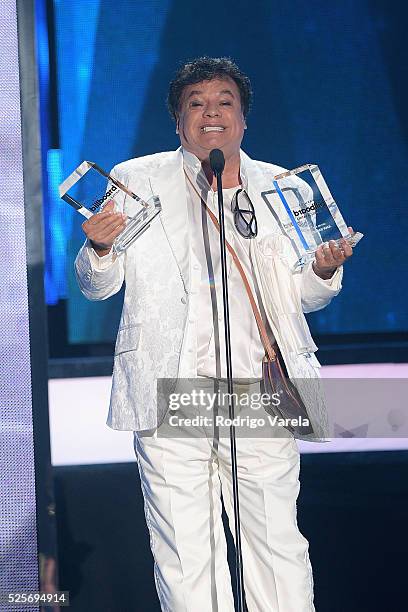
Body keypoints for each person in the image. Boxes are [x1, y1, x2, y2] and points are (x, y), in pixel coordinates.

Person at [75, 57, 353, 611]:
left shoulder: (282, 187)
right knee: (184, 549)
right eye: (196, 103)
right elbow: (96, 287)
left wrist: (323, 270)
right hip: (172, 386)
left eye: (225, 102)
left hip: (262, 387)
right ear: (178, 120)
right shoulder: (135, 180)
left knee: (276, 544)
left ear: (244, 118)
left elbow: (306, 296)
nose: (212, 114)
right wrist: (100, 249)